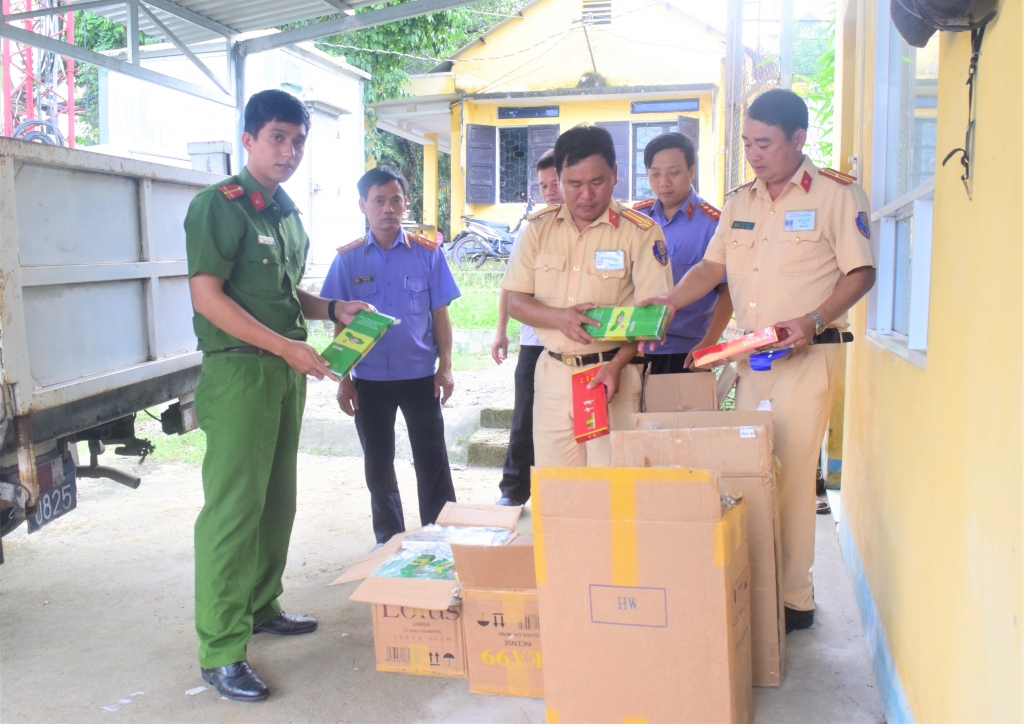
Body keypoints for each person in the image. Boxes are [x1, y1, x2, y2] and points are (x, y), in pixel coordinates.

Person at [640, 89, 876, 632]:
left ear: (798, 138)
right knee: (752, 470)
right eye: (748, 142)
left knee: (791, 475)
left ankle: (794, 599)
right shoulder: (741, 201)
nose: (754, 153)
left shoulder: (837, 196)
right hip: (750, 360)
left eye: (764, 142)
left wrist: (813, 320)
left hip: (807, 356)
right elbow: (711, 268)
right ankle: (761, 582)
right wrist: (671, 298)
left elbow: (860, 272)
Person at [186, 89, 372, 702]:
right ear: (248, 140)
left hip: (286, 373)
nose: (289, 151)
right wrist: (284, 346)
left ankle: (262, 604)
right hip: (241, 373)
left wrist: (333, 309)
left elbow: (289, 296)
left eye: (297, 140)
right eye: (277, 138)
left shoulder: (286, 213)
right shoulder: (220, 206)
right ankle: (220, 650)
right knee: (234, 512)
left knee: (276, 503)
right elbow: (208, 297)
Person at [502, 125, 673, 467]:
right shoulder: (538, 229)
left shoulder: (640, 233)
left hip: (609, 375)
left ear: (615, 175)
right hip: (552, 375)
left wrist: (617, 366)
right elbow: (515, 302)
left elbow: (655, 316)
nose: (585, 195)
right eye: (574, 184)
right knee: (558, 487)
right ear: (559, 179)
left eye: (596, 182)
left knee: (612, 488)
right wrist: (559, 318)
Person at [321, 167, 462, 545]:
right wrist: (344, 380)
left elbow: (440, 316)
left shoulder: (427, 255)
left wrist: (445, 369)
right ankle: (389, 539)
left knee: (432, 458)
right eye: (378, 200)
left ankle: (441, 532)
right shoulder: (348, 261)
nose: (388, 209)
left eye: (395, 200)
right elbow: (339, 323)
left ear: (405, 203)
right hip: (369, 381)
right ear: (363, 205)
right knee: (378, 464)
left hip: (419, 376)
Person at [492, 150, 564, 505]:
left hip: (579, 344)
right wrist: (501, 330)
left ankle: (562, 496)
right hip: (535, 342)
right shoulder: (532, 229)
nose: (550, 191)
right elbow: (510, 284)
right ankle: (514, 491)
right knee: (525, 418)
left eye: (555, 183)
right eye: (543, 186)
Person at [632, 133, 733, 373]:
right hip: (632, 346)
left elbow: (728, 292)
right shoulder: (635, 220)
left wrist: (708, 343)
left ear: (692, 171)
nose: (664, 182)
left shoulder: (714, 224)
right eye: (655, 174)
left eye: (674, 173)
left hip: (684, 351)